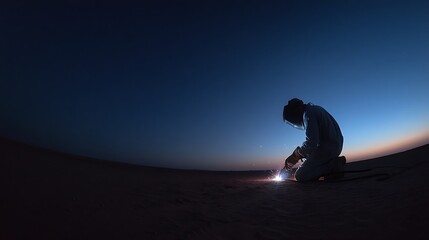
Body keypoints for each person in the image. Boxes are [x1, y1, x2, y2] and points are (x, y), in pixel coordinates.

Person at [281, 98, 346, 182]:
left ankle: (333, 166)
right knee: (309, 162)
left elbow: (312, 143)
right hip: (334, 146)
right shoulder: (315, 109)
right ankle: (331, 166)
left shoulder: (309, 114)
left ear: (297, 109)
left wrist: (296, 156)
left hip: (327, 148)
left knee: (301, 175)